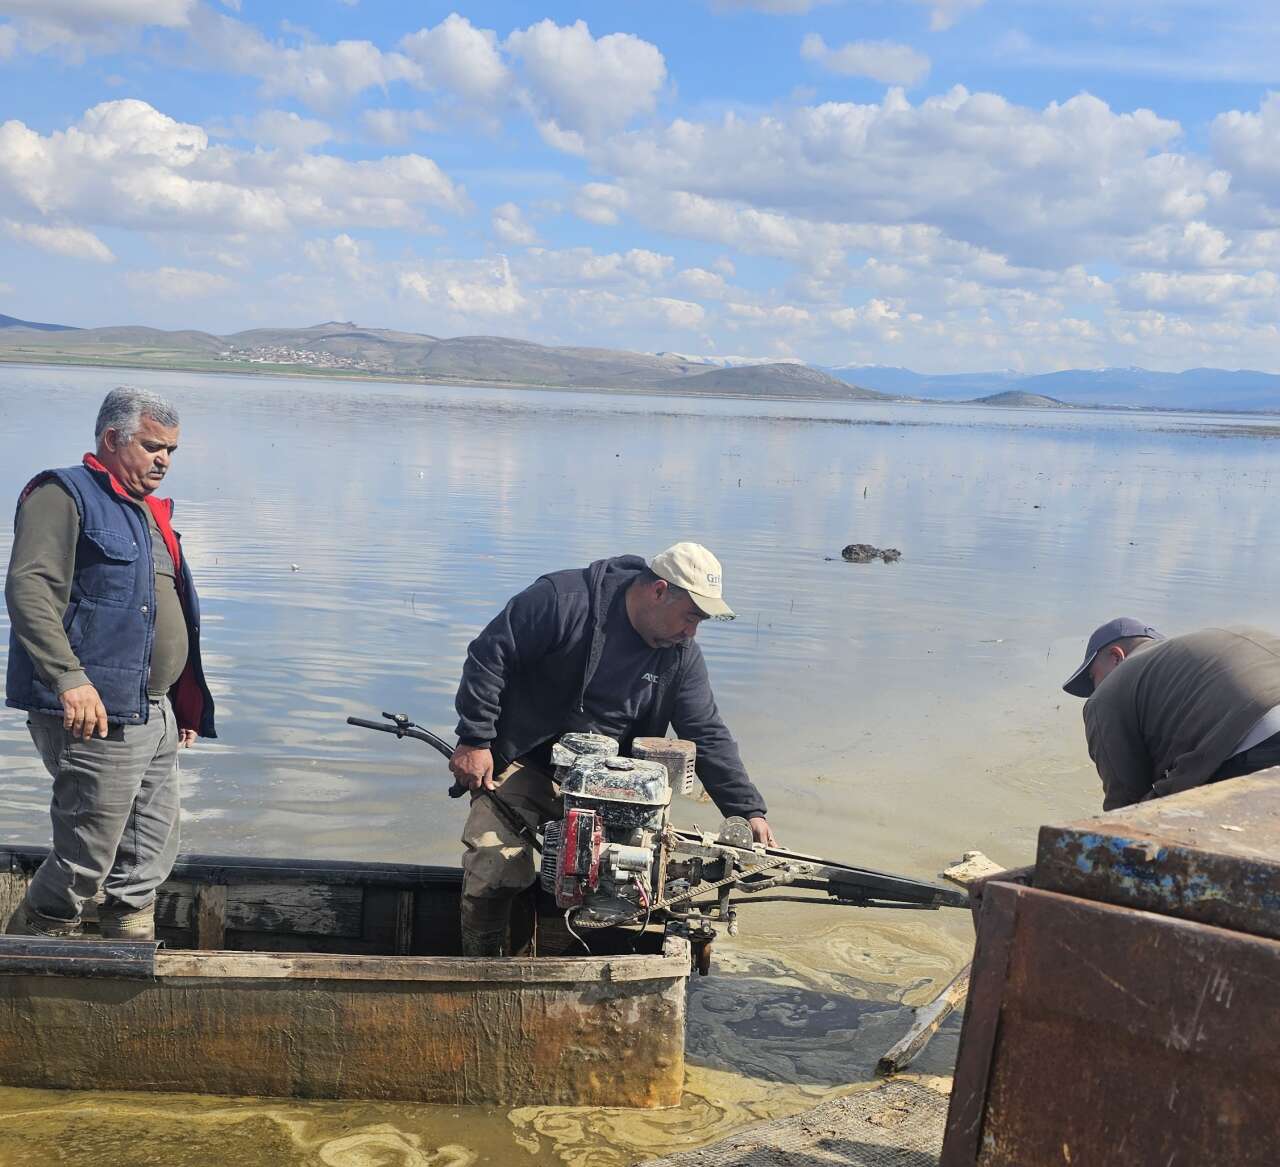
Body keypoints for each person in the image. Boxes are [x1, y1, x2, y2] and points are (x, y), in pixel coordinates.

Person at [450, 542, 774, 955]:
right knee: (494, 870)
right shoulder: (562, 601)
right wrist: (476, 739)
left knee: (633, 884)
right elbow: (489, 656)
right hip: (526, 763)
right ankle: (482, 969)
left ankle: (590, 962)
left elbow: (706, 733)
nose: (693, 631)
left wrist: (747, 810)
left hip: (617, 788)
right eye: (692, 616)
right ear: (659, 591)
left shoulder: (679, 656)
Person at [3, 386, 216, 939]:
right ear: (111, 439)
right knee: (84, 858)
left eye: (171, 450)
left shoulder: (148, 512)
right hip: (93, 714)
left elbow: (158, 612)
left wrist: (181, 701)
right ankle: (31, 961)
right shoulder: (61, 494)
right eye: (152, 447)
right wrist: (69, 679)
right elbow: (30, 590)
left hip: (154, 710)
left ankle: (128, 948)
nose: (164, 460)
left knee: (149, 850)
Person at [1063, 618, 1280, 811]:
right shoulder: (1217, 641)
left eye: (1092, 678)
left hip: (1258, 741)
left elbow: (1125, 804)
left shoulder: (1106, 695)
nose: (1095, 690)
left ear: (1116, 657)